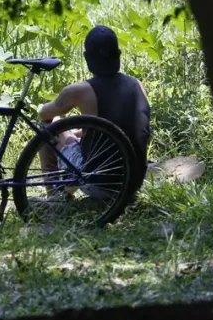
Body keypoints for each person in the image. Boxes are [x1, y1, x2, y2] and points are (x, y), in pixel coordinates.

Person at [37, 25, 151, 197]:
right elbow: (119, 125)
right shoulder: (138, 85)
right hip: (133, 182)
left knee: (49, 126)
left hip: (99, 183)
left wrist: (67, 134)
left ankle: (55, 196)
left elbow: (44, 114)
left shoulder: (79, 91)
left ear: (86, 58)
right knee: (71, 132)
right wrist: (79, 132)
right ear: (118, 55)